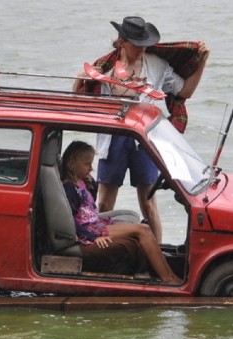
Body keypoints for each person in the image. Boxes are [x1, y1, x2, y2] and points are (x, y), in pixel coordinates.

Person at [73, 16, 209, 243]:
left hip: (143, 139)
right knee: (105, 203)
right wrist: (80, 79)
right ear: (122, 42)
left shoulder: (156, 65)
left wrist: (203, 60)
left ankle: (156, 252)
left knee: (148, 202)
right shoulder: (104, 68)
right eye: (137, 44)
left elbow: (184, 91)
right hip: (113, 137)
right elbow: (79, 97)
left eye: (145, 43)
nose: (142, 49)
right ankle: (102, 248)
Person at [60, 140, 182, 285]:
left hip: (95, 224)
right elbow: (71, 221)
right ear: (71, 164)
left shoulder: (80, 182)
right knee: (143, 230)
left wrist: (91, 185)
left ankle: (161, 269)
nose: (91, 168)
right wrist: (93, 237)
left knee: (140, 231)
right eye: (87, 164)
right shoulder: (69, 188)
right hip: (90, 229)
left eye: (91, 163)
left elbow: (89, 206)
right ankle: (169, 278)